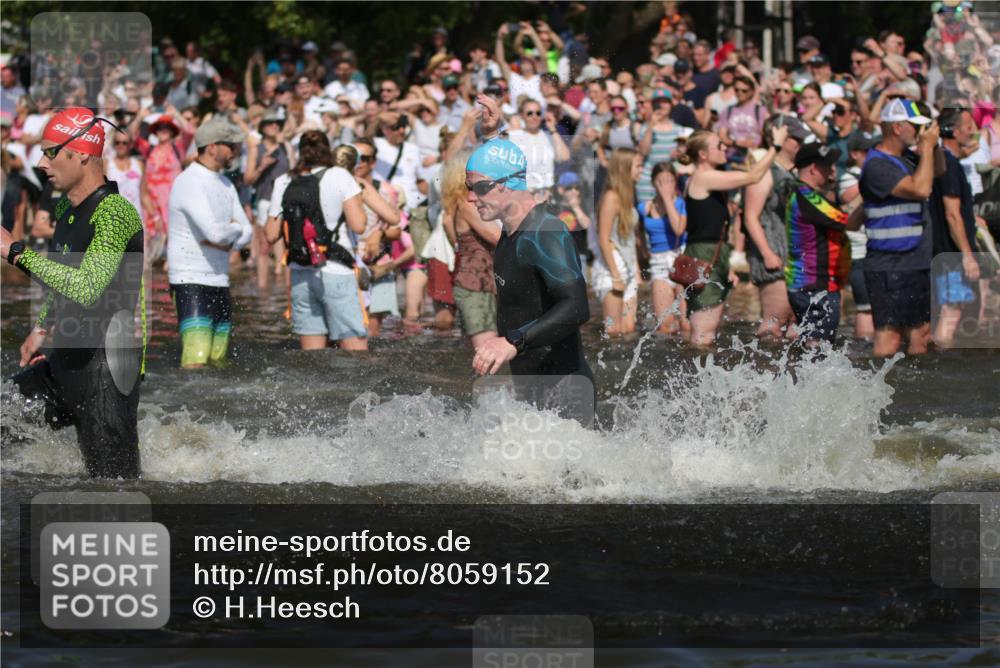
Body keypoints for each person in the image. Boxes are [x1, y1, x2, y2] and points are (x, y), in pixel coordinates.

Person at [3, 108, 144, 478]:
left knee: (113, 487)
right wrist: (43, 327)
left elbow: (87, 287)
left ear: (81, 154)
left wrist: (16, 253)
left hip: (108, 369)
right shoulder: (66, 207)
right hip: (63, 360)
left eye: (51, 152)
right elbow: (66, 271)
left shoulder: (115, 214)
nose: (42, 163)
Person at [466, 138, 593, 423]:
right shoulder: (511, 229)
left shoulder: (546, 232)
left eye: (479, 187)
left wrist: (512, 341)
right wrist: (491, 134)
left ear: (508, 183)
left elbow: (577, 306)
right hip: (533, 391)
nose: (471, 197)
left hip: (565, 395)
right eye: (469, 187)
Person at [679, 125, 788, 346]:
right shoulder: (703, 177)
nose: (725, 148)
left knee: (709, 329)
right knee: (703, 332)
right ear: (702, 154)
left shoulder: (710, 178)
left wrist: (726, 265)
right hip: (704, 255)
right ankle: (691, 376)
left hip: (713, 253)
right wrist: (775, 145)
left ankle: (702, 374)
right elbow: (755, 176)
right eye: (719, 145)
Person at [265, 130, 368, 350]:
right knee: (356, 351)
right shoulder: (340, 176)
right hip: (336, 269)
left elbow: (271, 234)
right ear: (327, 150)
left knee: (313, 357)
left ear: (301, 152)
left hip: (300, 272)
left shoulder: (284, 181)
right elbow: (359, 225)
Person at [167, 117, 253, 368]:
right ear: (212, 146)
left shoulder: (225, 183)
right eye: (231, 145)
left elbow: (248, 232)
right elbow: (215, 233)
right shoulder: (189, 181)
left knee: (218, 359)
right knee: (196, 358)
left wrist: (232, 235)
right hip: (190, 279)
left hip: (220, 278)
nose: (235, 151)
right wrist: (233, 232)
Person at [859, 99, 940, 357]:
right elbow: (921, 189)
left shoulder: (904, 160)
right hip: (889, 264)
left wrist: (933, 146)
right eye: (914, 126)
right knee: (890, 339)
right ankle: (878, 391)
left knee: (920, 337)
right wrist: (925, 147)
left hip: (914, 260)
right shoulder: (876, 165)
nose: (919, 131)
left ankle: (917, 394)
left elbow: (938, 171)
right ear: (897, 127)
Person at [784, 143, 863, 346]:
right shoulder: (805, 195)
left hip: (813, 283)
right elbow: (846, 219)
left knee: (815, 345)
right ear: (813, 169)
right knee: (818, 347)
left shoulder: (807, 194)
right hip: (814, 283)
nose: (833, 170)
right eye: (827, 165)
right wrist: (869, 189)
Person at [742, 115, 810, 339]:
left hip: (795, 257)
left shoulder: (798, 173)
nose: (800, 144)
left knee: (795, 326)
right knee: (775, 321)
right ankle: (762, 369)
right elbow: (750, 217)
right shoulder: (765, 172)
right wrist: (767, 253)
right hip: (772, 253)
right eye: (795, 139)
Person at [930, 107, 981, 347]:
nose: (972, 131)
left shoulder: (944, 160)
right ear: (953, 130)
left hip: (942, 252)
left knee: (946, 312)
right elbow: (952, 214)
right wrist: (967, 256)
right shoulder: (948, 164)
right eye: (968, 126)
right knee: (951, 312)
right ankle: (942, 367)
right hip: (950, 254)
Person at [441, 149, 501, 349]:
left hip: (476, 284)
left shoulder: (460, 205)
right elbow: (498, 238)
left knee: (473, 354)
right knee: (488, 353)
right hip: (475, 287)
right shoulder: (469, 205)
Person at [349, 138, 402, 337]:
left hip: (378, 263)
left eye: (365, 158)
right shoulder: (342, 187)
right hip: (350, 261)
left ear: (373, 162)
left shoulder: (388, 190)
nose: (359, 162)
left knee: (372, 330)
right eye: (356, 158)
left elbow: (397, 230)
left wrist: (379, 233)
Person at [593, 148, 642, 334]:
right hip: (611, 266)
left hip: (628, 265)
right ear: (624, 168)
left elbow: (629, 236)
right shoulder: (611, 197)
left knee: (629, 329)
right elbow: (603, 238)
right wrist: (615, 275)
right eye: (638, 165)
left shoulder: (627, 195)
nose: (641, 170)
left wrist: (636, 268)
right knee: (614, 331)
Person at [837, 129, 880, 339]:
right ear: (855, 153)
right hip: (857, 255)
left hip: (870, 255)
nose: (873, 154)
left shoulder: (864, 175)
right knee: (865, 309)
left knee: (872, 308)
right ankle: (862, 351)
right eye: (868, 150)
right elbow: (848, 202)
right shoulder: (848, 178)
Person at [243, 112, 292, 288]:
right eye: (270, 123)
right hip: (265, 200)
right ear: (263, 127)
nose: (274, 126)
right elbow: (248, 179)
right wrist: (262, 165)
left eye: (277, 124)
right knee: (264, 246)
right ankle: (262, 288)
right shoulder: (256, 148)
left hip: (287, 201)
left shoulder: (286, 147)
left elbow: (294, 172)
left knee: (288, 244)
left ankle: (285, 290)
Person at [639, 161, 688, 335]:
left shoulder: (681, 203)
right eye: (661, 181)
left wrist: (668, 199)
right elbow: (637, 233)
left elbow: (679, 229)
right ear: (653, 183)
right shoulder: (645, 207)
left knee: (686, 325)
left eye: (670, 181)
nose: (666, 185)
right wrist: (643, 253)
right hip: (658, 262)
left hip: (681, 258)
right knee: (665, 326)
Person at [636, 88, 684, 202]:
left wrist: (679, 155)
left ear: (671, 105)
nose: (662, 105)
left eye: (665, 102)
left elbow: (684, 158)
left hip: (669, 181)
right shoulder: (645, 128)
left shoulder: (679, 130)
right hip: (647, 182)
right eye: (658, 102)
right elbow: (643, 152)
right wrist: (651, 126)